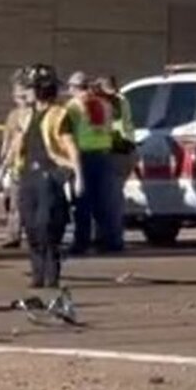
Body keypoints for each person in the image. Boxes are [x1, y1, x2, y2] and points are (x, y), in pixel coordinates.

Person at [11, 64, 83, 289]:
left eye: (30, 88)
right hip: (28, 175)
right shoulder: (26, 115)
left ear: (42, 90)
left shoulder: (59, 115)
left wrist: (79, 176)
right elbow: (18, 144)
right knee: (31, 226)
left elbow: (71, 147)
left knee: (48, 226)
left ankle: (51, 274)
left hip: (50, 176)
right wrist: (9, 169)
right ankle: (37, 273)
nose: (25, 92)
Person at [66, 71, 120, 254]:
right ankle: (109, 240)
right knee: (104, 201)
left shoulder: (73, 107)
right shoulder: (104, 104)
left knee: (82, 202)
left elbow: (68, 133)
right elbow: (111, 125)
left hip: (83, 156)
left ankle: (82, 242)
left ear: (74, 88)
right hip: (104, 154)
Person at [0, 71, 33, 249]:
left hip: (29, 163)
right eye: (17, 95)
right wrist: (3, 162)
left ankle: (20, 234)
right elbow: (7, 140)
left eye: (22, 95)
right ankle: (13, 233)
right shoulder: (13, 115)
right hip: (14, 164)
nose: (19, 99)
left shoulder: (33, 114)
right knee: (11, 200)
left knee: (22, 201)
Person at [98, 74, 135, 235]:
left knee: (110, 197)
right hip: (124, 149)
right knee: (113, 195)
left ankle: (111, 234)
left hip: (116, 150)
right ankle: (112, 232)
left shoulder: (113, 101)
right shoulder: (122, 99)